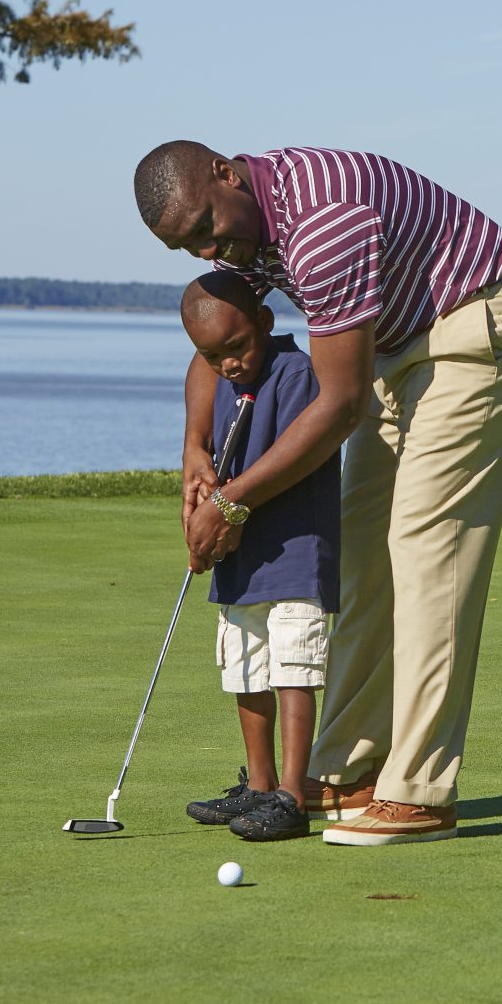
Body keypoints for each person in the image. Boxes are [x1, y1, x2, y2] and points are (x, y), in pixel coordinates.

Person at [134, 142, 502, 846]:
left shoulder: (323, 222)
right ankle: (349, 770)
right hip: (401, 346)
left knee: (426, 548)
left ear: (226, 175)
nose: (210, 248)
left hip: (477, 328)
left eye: (208, 227)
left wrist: (233, 502)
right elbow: (215, 343)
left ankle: (421, 791)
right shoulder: (241, 231)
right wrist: (195, 452)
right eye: (190, 245)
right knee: (359, 550)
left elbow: (339, 403)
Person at [176, 272, 340, 841]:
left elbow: (290, 462)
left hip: (294, 548)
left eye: (237, 347)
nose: (230, 363)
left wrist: (226, 511)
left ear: (265, 323)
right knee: (245, 667)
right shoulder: (218, 377)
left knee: (294, 669)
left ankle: (294, 794)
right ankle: (261, 786)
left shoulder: (295, 373)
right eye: (212, 355)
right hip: (240, 559)